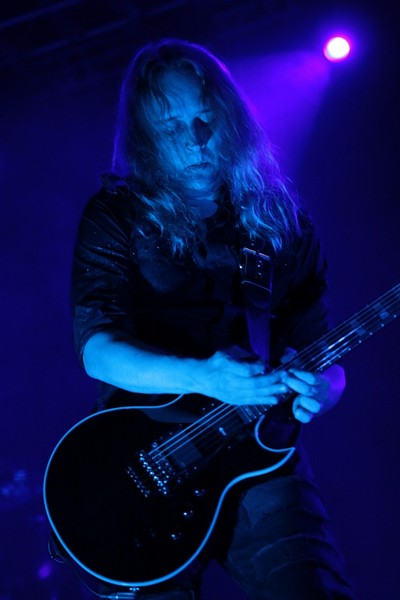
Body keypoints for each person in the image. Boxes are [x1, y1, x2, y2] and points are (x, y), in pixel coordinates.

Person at [71, 39, 354, 599]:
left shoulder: (281, 221)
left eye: (206, 119)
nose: (195, 139)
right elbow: (97, 351)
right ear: (146, 136)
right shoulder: (115, 215)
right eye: (172, 126)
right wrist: (205, 377)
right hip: (142, 459)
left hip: (262, 459)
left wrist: (326, 389)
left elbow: (322, 351)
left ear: (231, 120)